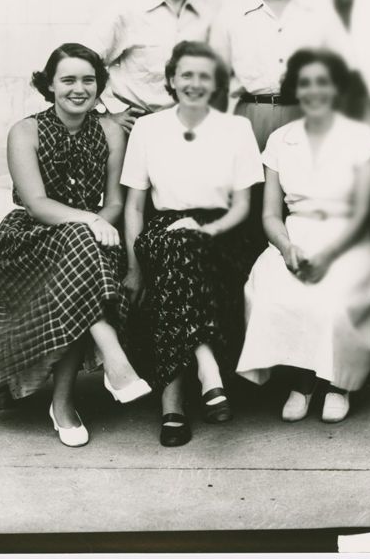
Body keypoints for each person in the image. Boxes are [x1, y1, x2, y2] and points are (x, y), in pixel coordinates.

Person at [0, 43, 151, 448]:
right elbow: (36, 205)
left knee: (77, 255)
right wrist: (88, 220)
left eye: (88, 80)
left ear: (99, 86)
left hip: (90, 240)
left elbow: (113, 203)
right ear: (50, 85)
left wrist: (93, 222)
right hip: (28, 241)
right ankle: (113, 363)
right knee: (77, 243)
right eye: (68, 79)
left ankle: (65, 404)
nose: (79, 88)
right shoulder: (25, 131)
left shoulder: (110, 131)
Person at [121, 41, 263, 447]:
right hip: (164, 230)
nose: (194, 83)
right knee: (177, 246)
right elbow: (134, 207)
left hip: (224, 232)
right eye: (186, 74)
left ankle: (173, 408)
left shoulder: (237, 128)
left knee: (180, 258)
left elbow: (242, 207)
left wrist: (208, 231)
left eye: (204, 75)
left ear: (216, 83)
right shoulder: (148, 129)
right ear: (170, 80)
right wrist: (133, 267)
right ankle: (208, 370)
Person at [236, 49, 370, 423]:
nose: (315, 91)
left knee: (334, 296)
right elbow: (270, 214)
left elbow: (364, 211)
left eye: (324, 82)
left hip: (347, 238)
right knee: (271, 291)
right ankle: (303, 379)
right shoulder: (281, 140)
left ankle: (338, 382)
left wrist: (329, 255)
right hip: (295, 233)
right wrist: (286, 248)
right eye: (305, 83)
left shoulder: (360, 138)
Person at [209, 0, 352, 151]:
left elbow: (345, 74)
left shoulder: (320, 12)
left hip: (305, 116)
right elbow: (215, 84)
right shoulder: (231, 15)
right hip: (249, 119)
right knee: (250, 186)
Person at [88, 0, 209, 134]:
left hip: (188, 129)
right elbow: (81, 63)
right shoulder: (126, 12)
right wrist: (104, 113)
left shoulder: (205, 17)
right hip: (135, 129)